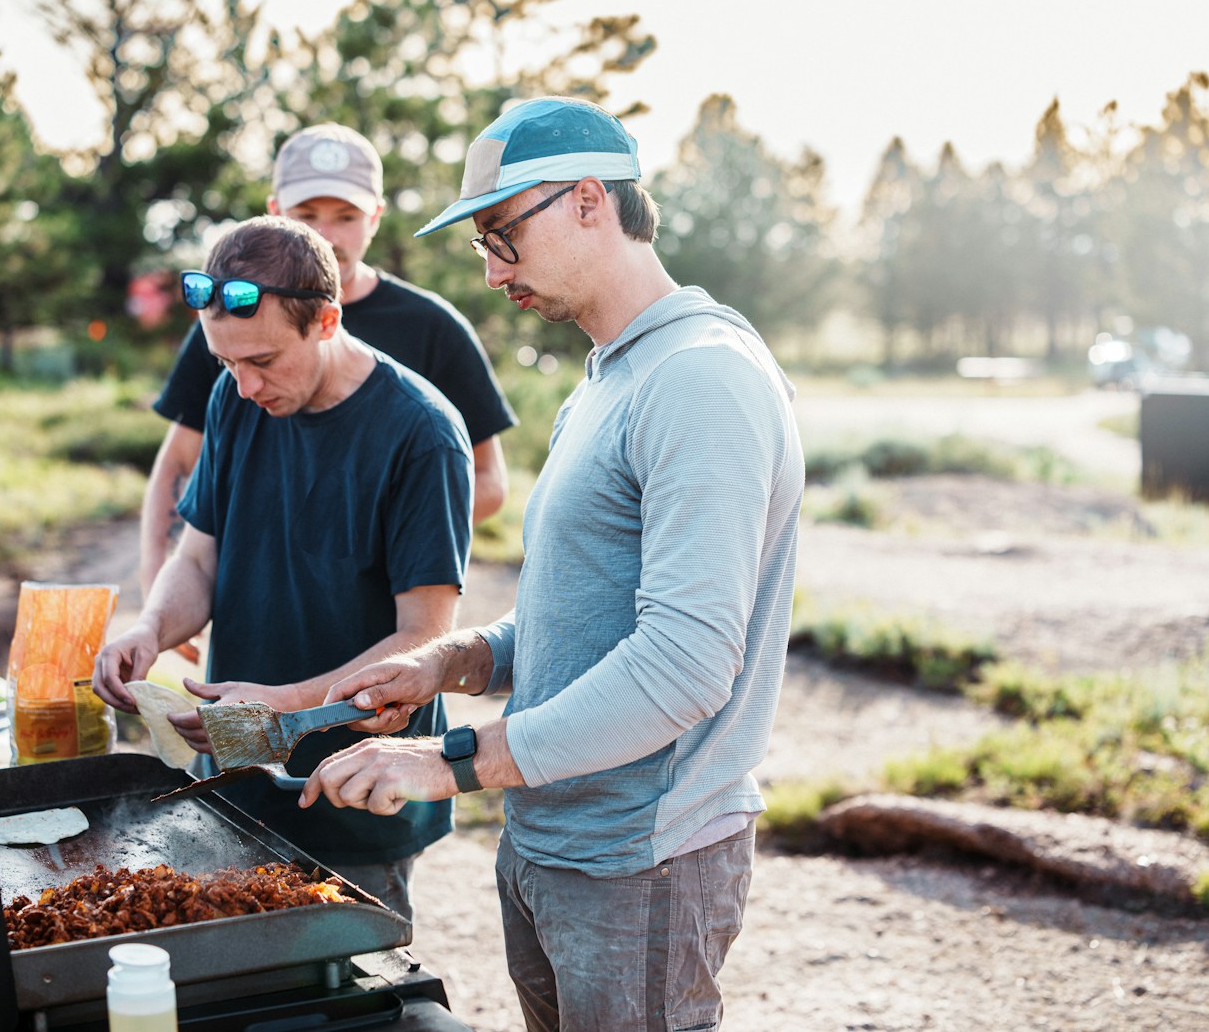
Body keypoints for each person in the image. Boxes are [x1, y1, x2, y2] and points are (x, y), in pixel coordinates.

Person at [299, 97, 806, 1031]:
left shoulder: (701, 376)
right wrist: (454, 661)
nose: (492, 273)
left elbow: (686, 663)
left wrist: (452, 761)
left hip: (639, 860)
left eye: (502, 236)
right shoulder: (612, 375)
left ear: (586, 201)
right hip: (554, 838)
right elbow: (585, 614)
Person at [94, 216, 474, 921]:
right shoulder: (233, 399)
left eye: (262, 361)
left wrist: (288, 701)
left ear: (326, 320)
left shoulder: (423, 434)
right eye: (226, 363)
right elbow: (199, 555)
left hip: (354, 798)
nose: (242, 386)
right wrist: (149, 628)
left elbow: (423, 638)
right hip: (231, 784)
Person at [140, 123, 517, 600]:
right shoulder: (230, 317)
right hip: (254, 608)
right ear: (275, 213)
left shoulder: (433, 327)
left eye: (346, 216)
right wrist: (157, 587)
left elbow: (489, 481)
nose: (325, 234)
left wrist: (378, 532)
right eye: (305, 214)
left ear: (376, 217)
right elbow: (179, 462)